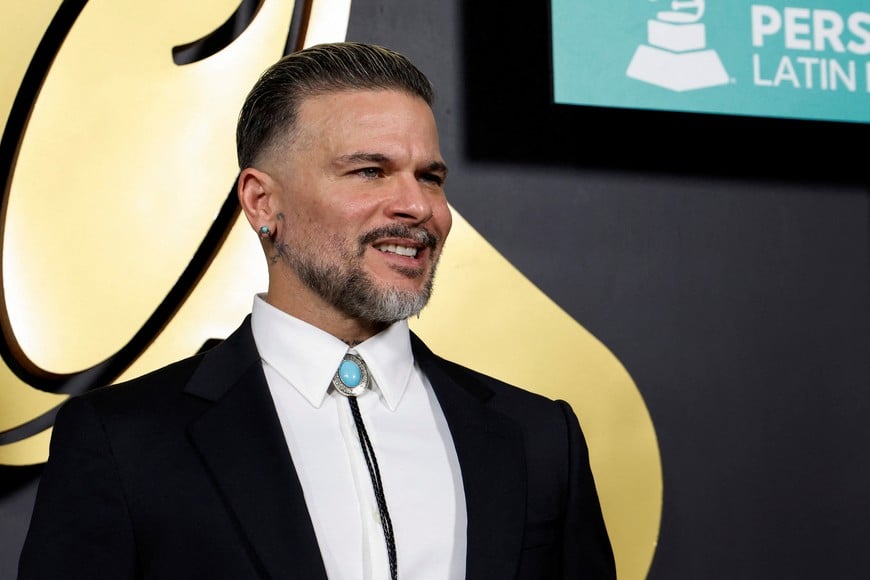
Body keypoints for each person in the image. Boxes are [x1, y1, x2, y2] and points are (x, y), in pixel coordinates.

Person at [18, 42, 615, 579]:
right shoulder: (125, 442)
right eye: (369, 171)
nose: (416, 205)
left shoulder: (538, 437)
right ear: (261, 202)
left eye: (429, 177)